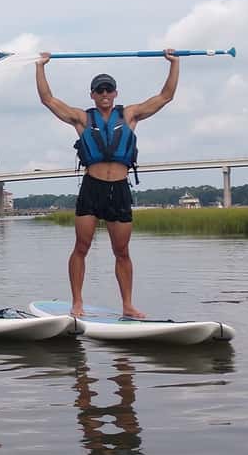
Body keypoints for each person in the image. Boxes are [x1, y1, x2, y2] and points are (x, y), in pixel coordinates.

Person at [36, 49, 180, 318]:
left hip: (119, 190)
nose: (104, 94)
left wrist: (174, 63)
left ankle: (127, 305)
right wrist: (40, 66)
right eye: (99, 90)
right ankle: (77, 302)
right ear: (92, 94)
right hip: (92, 188)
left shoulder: (130, 115)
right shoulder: (82, 118)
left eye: (108, 90)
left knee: (122, 251)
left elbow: (165, 96)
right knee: (81, 247)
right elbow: (48, 99)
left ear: (115, 93)